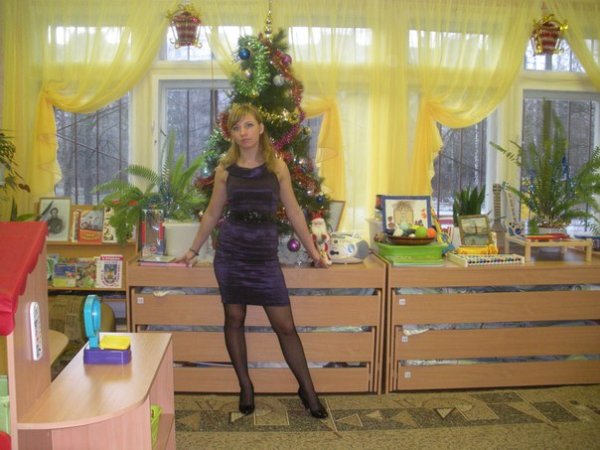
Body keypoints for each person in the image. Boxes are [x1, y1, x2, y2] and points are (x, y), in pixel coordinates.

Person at [177, 103, 330, 419]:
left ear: (261, 128)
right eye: (236, 128)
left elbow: (295, 212)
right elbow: (212, 214)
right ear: (231, 134)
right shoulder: (225, 169)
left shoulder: (277, 167)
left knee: (285, 325)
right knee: (234, 319)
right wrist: (192, 250)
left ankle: (308, 389)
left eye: (248, 125)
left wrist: (314, 252)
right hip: (231, 253)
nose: (243, 133)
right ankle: (245, 386)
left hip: (263, 257)